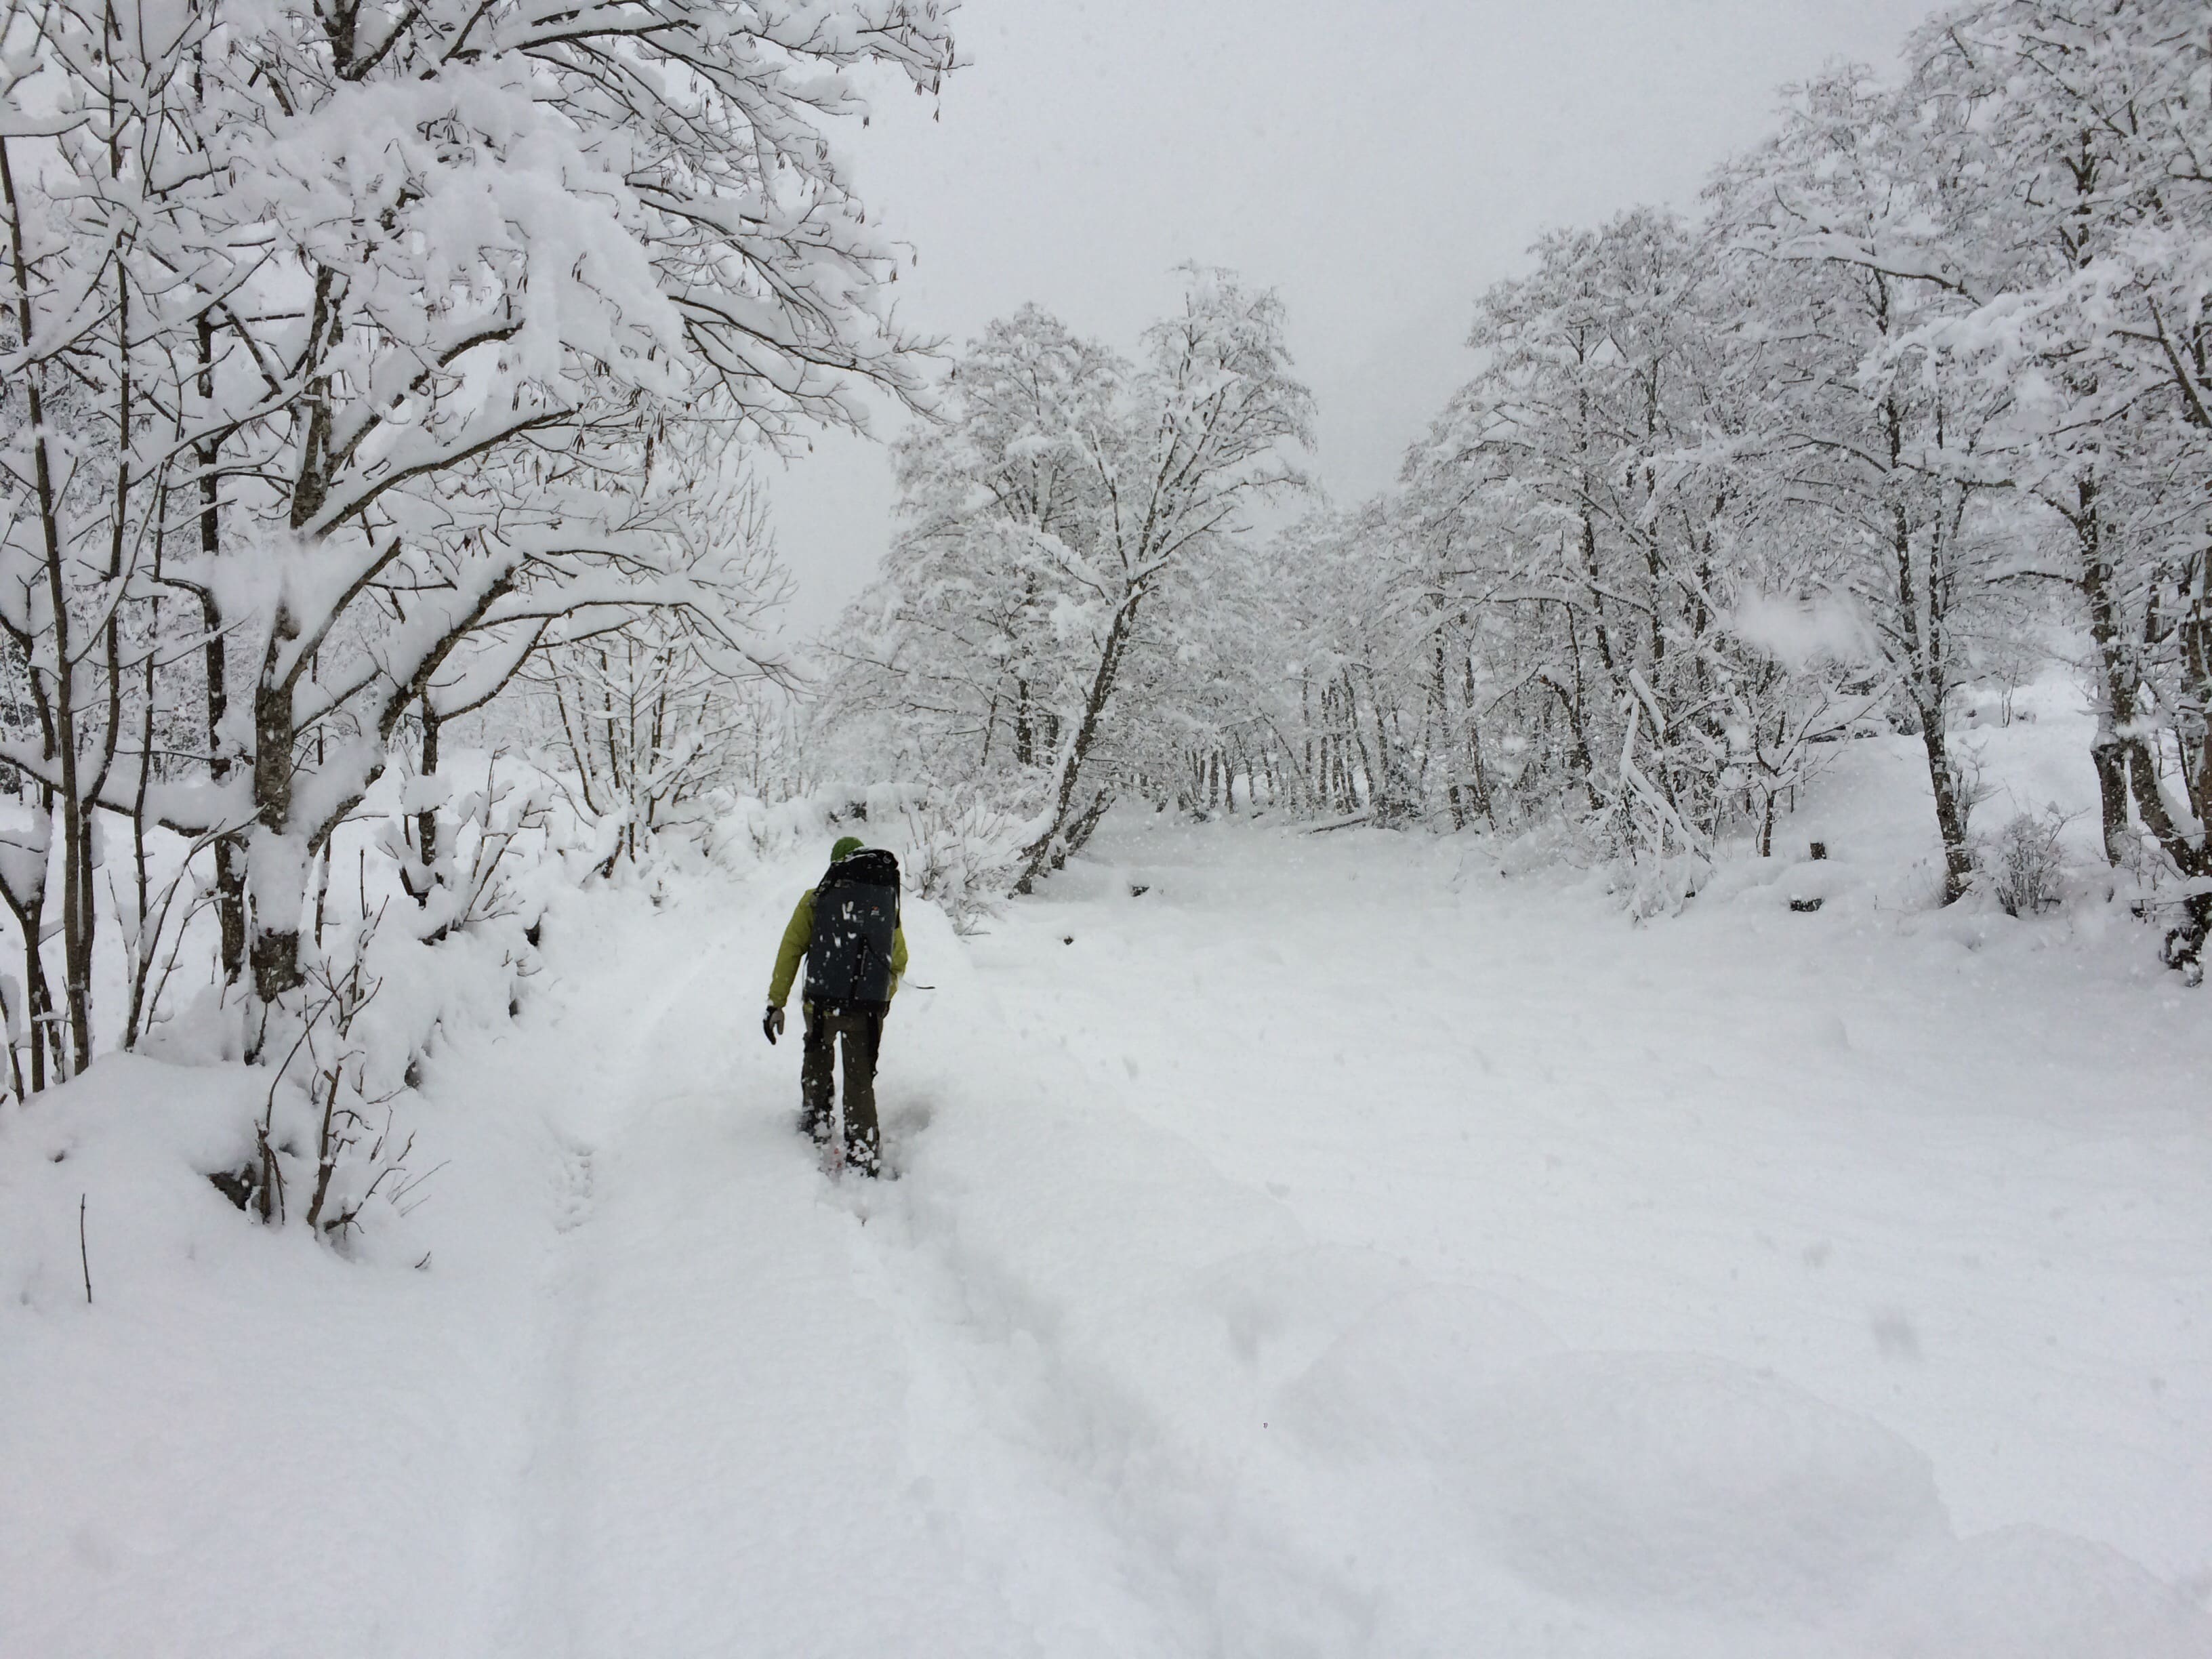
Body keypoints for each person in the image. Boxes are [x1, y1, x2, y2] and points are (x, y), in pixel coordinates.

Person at [764, 835, 909, 1176]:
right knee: (859, 1079)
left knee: (817, 1056)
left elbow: (790, 951)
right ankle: (863, 1152)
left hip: (821, 1005)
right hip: (866, 1011)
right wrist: (880, 998)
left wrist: (776, 1002)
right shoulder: (884, 903)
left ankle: (816, 1121)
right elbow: (899, 958)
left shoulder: (816, 900)